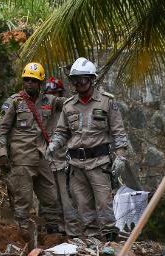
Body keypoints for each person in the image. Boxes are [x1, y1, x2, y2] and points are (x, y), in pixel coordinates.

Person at [47, 57, 129, 240]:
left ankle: (109, 238)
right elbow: (61, 132)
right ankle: (91, 239)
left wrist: (121, 156)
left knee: (104, 204)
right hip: (76, 165)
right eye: (75, 80)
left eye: (83, 79)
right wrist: (54, 144)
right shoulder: (68, 106)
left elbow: (119, 132)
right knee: (83, 205)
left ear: (92, 79)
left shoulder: (107, 102)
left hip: (99, 164)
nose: (79, 83)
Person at [0, 62, 64, 234]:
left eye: (33, 80)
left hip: (42, 157)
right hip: (22, 157)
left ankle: (53, 231)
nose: (29, 83)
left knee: (51, 197)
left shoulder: (49, 101)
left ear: (40, 83)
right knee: (23, 198)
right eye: (27, 80)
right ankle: (21, 230)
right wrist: (2, 153)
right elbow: (1, 130)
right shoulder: (14, 102)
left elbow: (69, 104)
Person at [45, 76, 82, 237]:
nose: (52, 96)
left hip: (64, 162)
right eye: (49, 93)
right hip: (47, 161)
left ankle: (73, 232)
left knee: (68, 199)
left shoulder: (67, 108)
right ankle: (57, 231)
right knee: (52, 199)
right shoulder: (43, 109)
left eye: (55, 93)